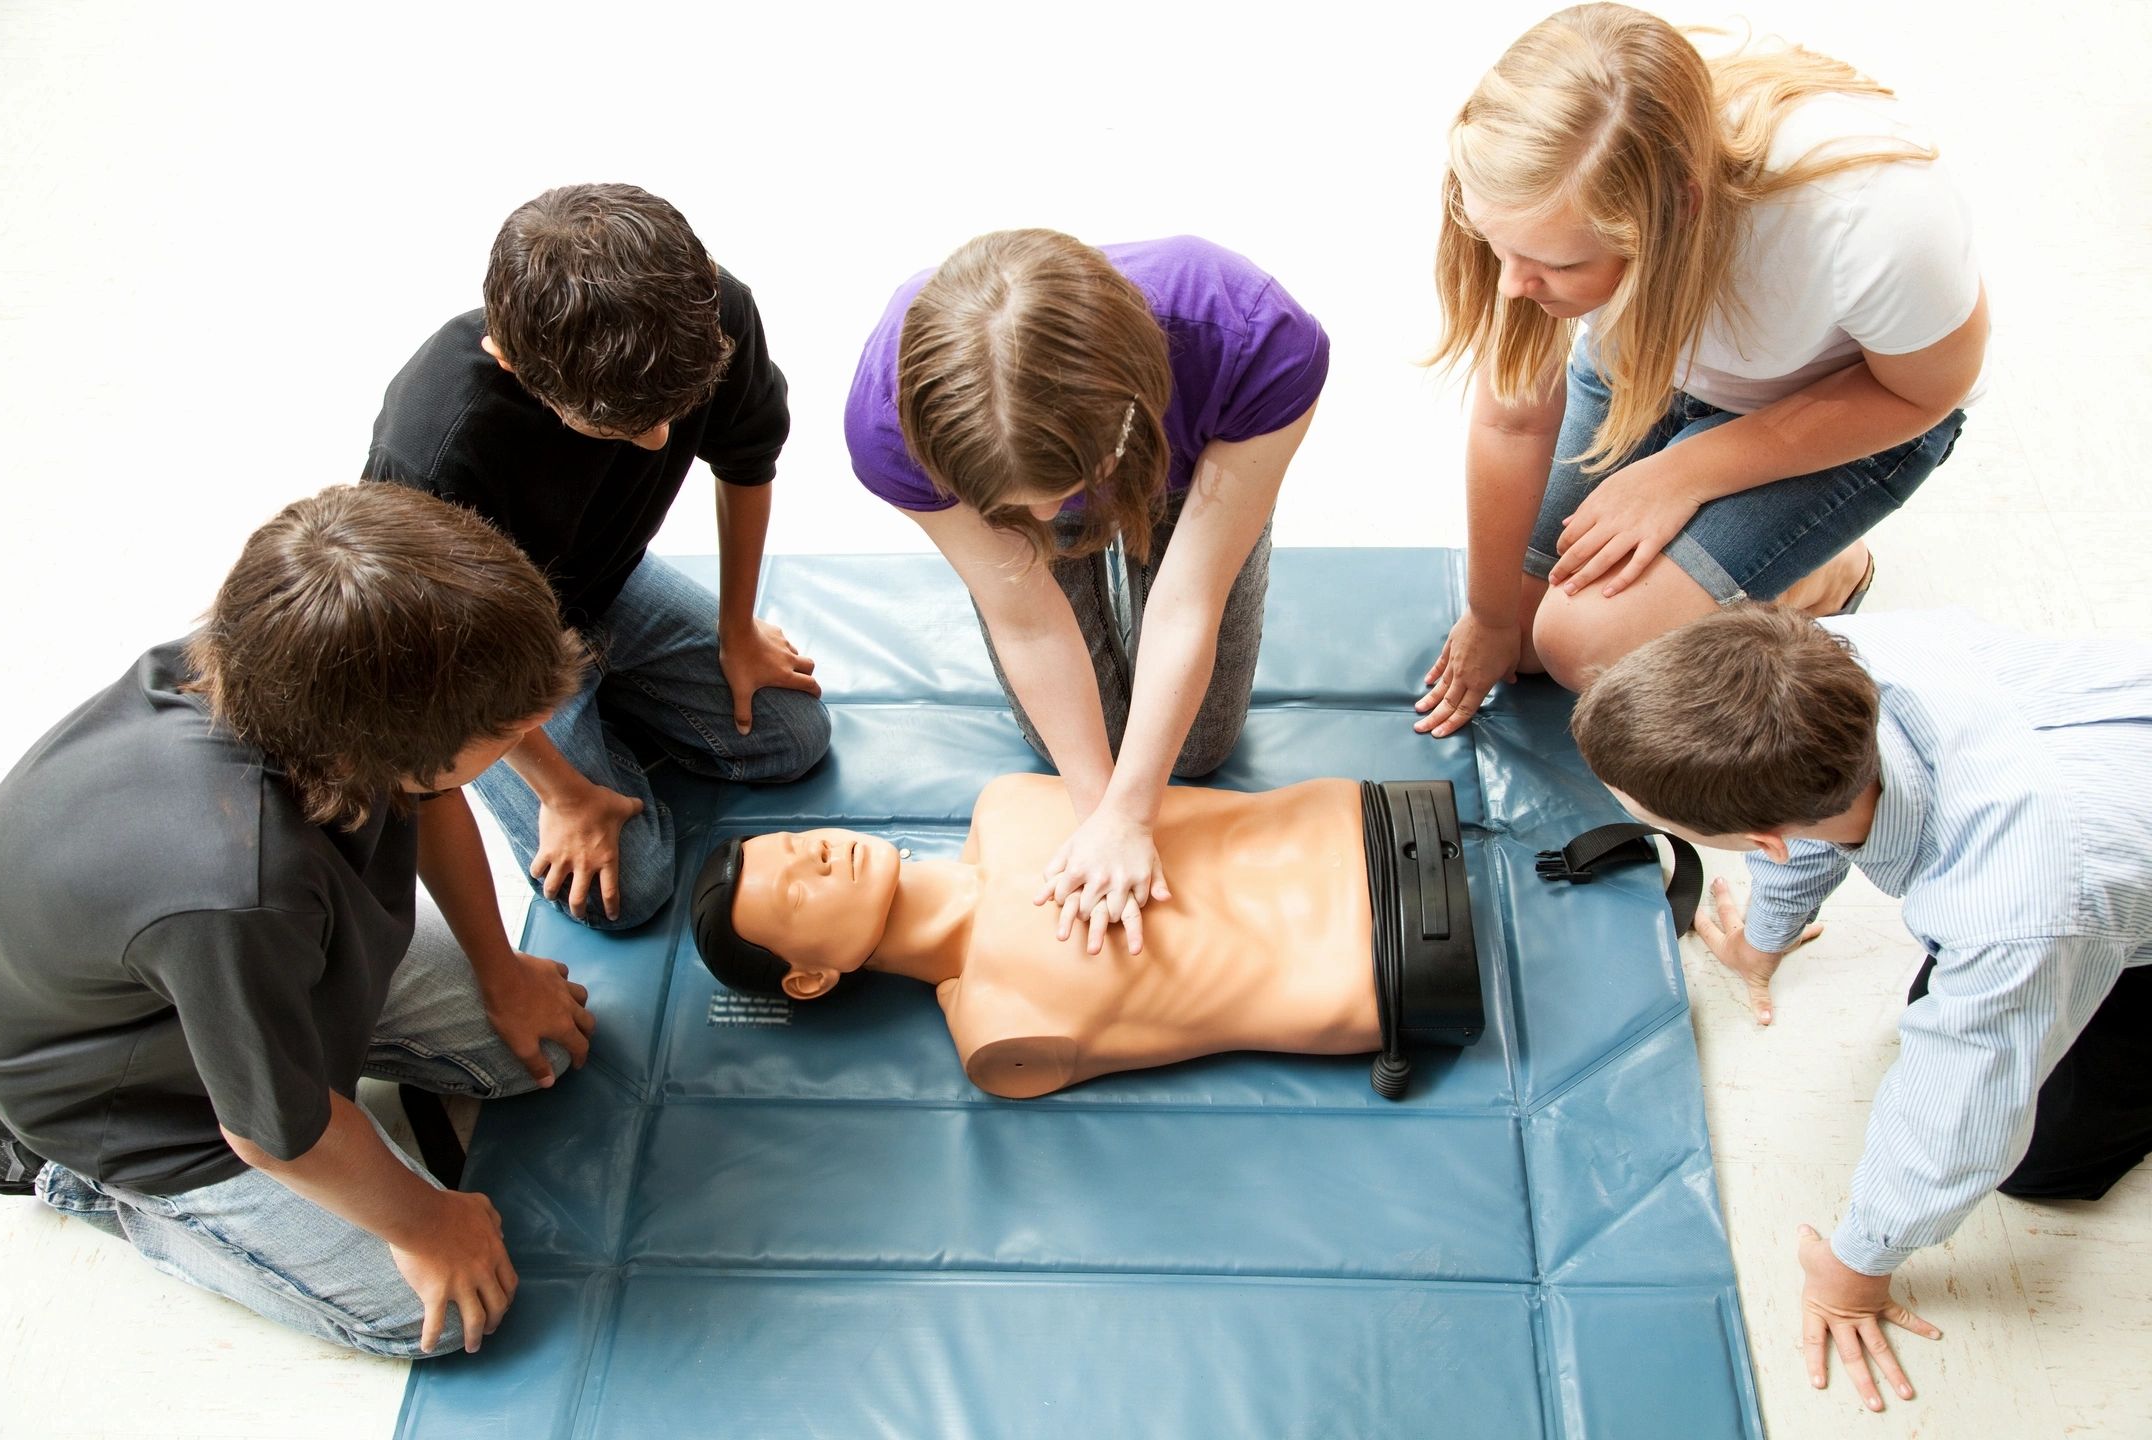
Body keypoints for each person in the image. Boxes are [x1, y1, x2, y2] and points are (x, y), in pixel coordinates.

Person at [0, 485, 598, 1358]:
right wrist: (430, 1223)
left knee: (543, 1040)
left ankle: (347, 1052)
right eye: (507, 730)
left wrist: (501, 973)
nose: (537, 731)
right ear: (378, 752)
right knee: (443, 1314)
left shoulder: (295, 671)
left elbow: (435, 800)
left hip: (264, 963)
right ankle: (85, 1183)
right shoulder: (239, 882)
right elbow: (273, 1131)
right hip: (151, 1099)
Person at [1569, 604, 2152, 1414]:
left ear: (1759, 839)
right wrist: (1762, 940)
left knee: (2040, 1161)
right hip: (2103, 797)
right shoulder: (1824, 664)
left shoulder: (2019, 905)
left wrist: (1858, 1268)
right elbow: (1807, 827)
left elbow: (1962, 1104)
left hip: (2092, 869)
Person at [1415, 2, 1988, 737]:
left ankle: (1826, 573)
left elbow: (1929, 393)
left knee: (1578, 648)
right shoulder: (1539, 185)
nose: (1508, 286)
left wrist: (1683, 474)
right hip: (1652, 367)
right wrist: (1489, 618)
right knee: (1525, 636)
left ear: (1674, 212)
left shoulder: (1872, 219)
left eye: (1559, 264)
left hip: (1852, 408)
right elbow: (1513, 416)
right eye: (1498, 246)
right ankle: (1738, 544)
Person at [845, 230, 1326, 950]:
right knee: (1075, 747)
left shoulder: (1255, 339)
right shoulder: (887, 426)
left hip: (1187, 469)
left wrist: (1134, 815)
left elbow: (1189, 595)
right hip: (1012, 468)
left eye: (1061, 494)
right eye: (1022, 504)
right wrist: (1101, 822)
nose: (1045, 518)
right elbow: (1028, 620)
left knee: (1196, 751)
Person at [367, 182, 830, 930]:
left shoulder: (710, 313)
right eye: (618, 426)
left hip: (609, 585)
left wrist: (737, 629)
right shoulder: (433, 453)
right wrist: (562, 792)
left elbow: (747, 463)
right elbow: (441, 673)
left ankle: (613, 706)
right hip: (496, 656)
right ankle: (588, 734)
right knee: (629, 890)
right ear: (512, 363)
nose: (656, 443)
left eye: (669, 416)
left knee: (794, 738)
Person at [693, 773, 1487, 1097]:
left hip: (1367, 818)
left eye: (798, 842)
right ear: (810, 976)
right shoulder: (996, 1031)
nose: (821, 852)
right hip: (1387, 968)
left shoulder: (1006, 804)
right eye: (799, 888)